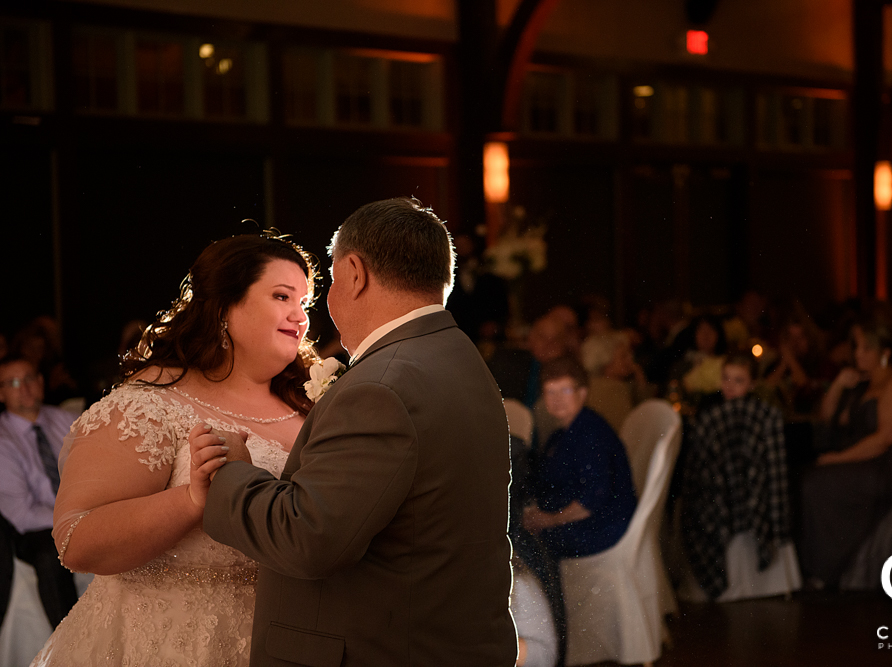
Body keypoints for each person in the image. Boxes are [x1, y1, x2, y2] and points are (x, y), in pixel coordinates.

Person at [198, 198, 518, 666]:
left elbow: (309, 538)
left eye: (327, 279)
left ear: (355, 272)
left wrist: (232, 473)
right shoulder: (461, 359)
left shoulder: (382, 385)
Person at [31, 231, 319, 666]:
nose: (300, 317)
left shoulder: (315, 407)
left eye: (306, 303)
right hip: (159, 646)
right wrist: (189, 501)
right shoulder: (149, 402)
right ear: (224, 307)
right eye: (282, 296)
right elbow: (77, 541)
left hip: (281, 642)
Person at [799, 319, 892, 588]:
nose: (858, 354)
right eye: (856, 347)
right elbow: (828, 417)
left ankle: (826, 571)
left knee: (816, 484)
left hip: (891, 465)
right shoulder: (864, 382)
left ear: (885, 352)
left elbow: (886, 438)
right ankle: (817, 568)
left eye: (866, 349)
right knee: (808, 477)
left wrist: (837, 459)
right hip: (869, 457)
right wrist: (837, 385)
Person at [680, 352, 791, 598]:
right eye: (726, 379)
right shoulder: (710, 417)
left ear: (752, 384)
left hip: (753, 497)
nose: (729, 386)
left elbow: (775, 470)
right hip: (722, 498)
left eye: (738, 380)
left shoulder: (764, 416)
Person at [523, 357, 637, 560]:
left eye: (565, 390)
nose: (557, 399)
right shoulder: (562, 434)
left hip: (600, 527)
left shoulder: (591, 434)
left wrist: (550, 520)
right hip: (580, 520)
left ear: (582, 393)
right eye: (550, 391)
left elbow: (594, 497)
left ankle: (549, 592)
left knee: (523, 539)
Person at [0, 355, 79, 630]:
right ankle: (70, 643)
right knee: (49, 556)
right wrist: (73, 520)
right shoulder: (2, 439)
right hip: (35, 529)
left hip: (84, 511)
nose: (24, 387)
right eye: (13, 382)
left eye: (30, 378)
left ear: (42, 381)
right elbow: (22, 514)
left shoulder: (70, 420)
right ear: (1, 392)